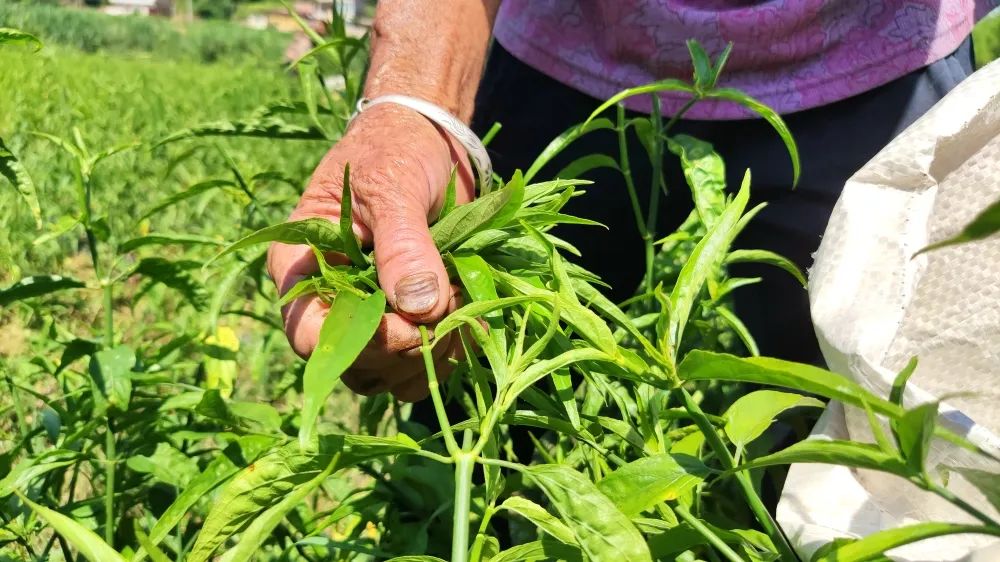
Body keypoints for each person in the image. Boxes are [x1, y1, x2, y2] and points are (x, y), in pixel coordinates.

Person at [267, 1, 993, 402]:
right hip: (569, 44)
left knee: (857, 410)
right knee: (480, 376)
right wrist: (414, 101)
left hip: (875, 49)